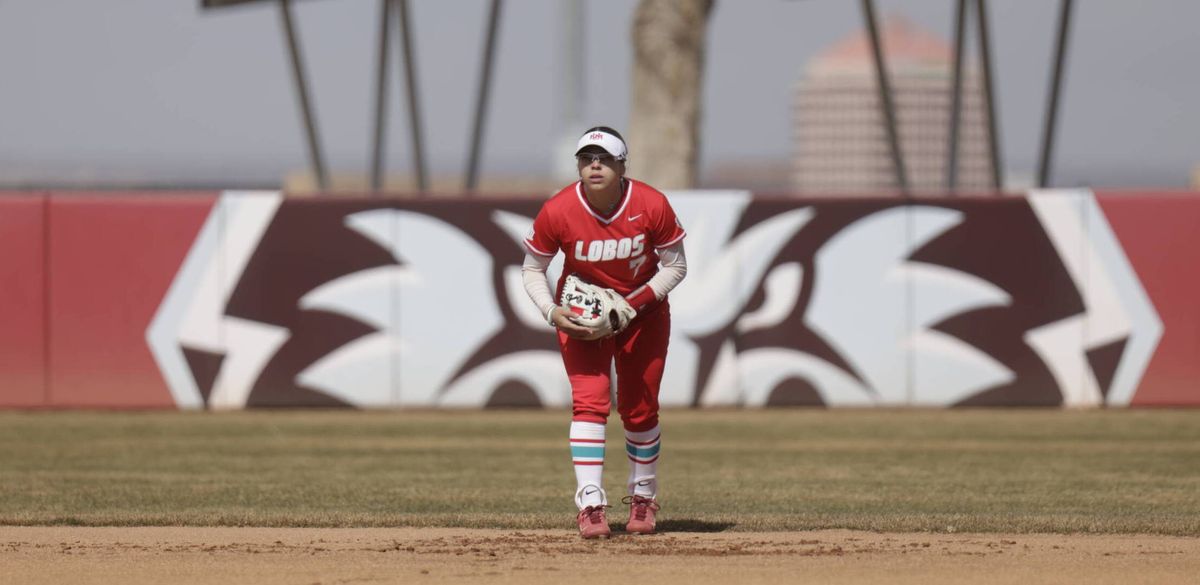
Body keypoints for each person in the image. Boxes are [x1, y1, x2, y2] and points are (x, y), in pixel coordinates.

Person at [522, 126, 688, 539]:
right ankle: (591, 504)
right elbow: (532, 268)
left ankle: (643, 497)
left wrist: (631, 305)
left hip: (643, 314)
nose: (594, 165)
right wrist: (550, 311)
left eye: (605, 158)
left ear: (621, 165)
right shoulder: (559, 210)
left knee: (640, 408)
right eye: (586, 158)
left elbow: (676, 266)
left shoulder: (650, 204)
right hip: (581, 318)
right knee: (590, 403)